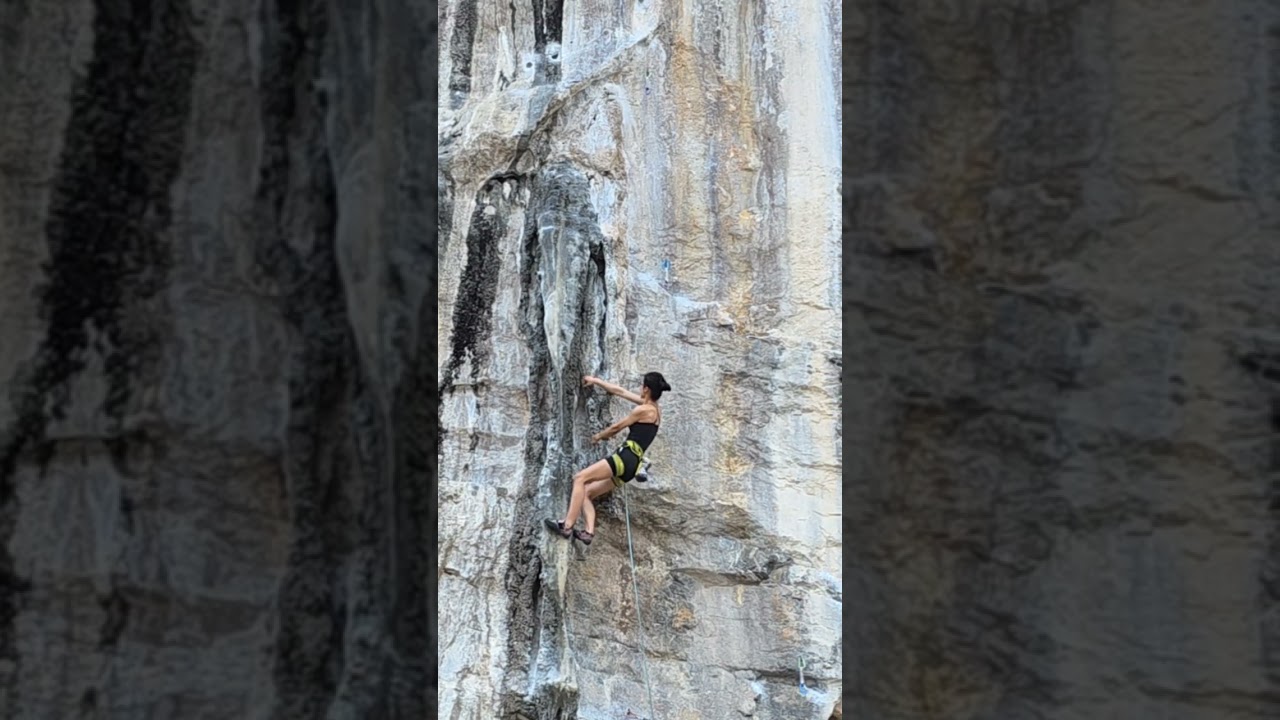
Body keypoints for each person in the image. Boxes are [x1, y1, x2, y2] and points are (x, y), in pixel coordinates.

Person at [545, 371, 671, 545]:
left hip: (625, 457)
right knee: (587, 493)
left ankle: (566, 525)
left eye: (642, 386)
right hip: (632, 466)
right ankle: (588, 532)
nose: (639, 389)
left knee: (580, 478)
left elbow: (616, 427)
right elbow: (620, 392)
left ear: (646, 389)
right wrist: (596, 381)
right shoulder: (655, 410)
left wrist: (598, 436)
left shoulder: (642, 410)